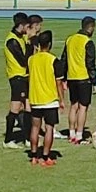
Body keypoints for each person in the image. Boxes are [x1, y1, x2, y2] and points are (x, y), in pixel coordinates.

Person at [27, 31, 65, 166]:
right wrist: (62, 99)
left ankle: (33, 156)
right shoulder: (53, 60)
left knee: (35, 128)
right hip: (50, 100)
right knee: (49, 128)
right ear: (49, 44)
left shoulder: (31, 60)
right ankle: (46, 156)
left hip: (35, 99)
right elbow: (58, 82)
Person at [60, 17, 96, 145]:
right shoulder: (88, 42)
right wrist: (94, 81)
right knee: (83, 107)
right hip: (83, 78)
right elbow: (90, 63)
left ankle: (71, 133)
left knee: (73, 105)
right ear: (90, 27)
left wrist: (64, 78)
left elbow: (64, 60)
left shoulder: (70, 39)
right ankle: (79, 135)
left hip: (72, 77)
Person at [3, 12, 30, 149]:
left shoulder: (21, 37)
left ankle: (28, 137)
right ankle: (8, 139)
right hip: (17, 77)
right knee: (15, 108)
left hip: (24, 77)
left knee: (27, 107)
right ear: (21, 25)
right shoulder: (12, 41)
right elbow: (23, 60)